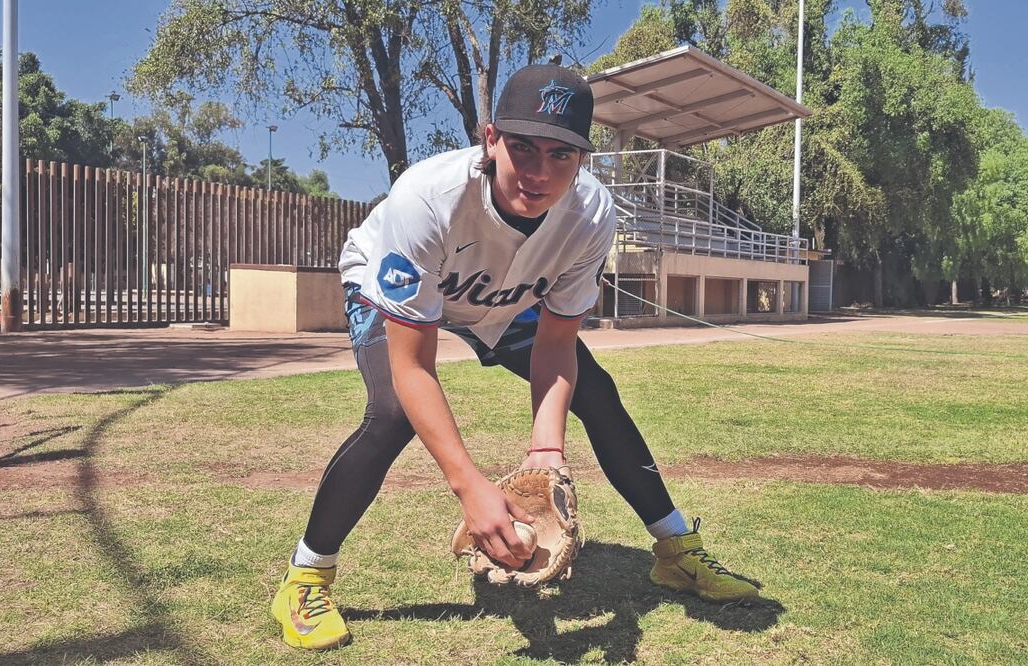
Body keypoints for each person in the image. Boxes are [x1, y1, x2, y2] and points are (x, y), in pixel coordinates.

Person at [270, 63, 759, 650]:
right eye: (522, 147)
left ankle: (677, 552)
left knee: (595, 392)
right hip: (396, 282)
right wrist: (470, 486)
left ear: (583, 160)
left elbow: (556, 343)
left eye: (560, 155)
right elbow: (413, 367)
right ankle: (306, 576)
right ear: (490, 138)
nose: (538, 171)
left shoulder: (592, 214)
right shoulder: (427, 199)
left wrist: (545, 455)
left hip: (502, 301)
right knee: (393, 413)